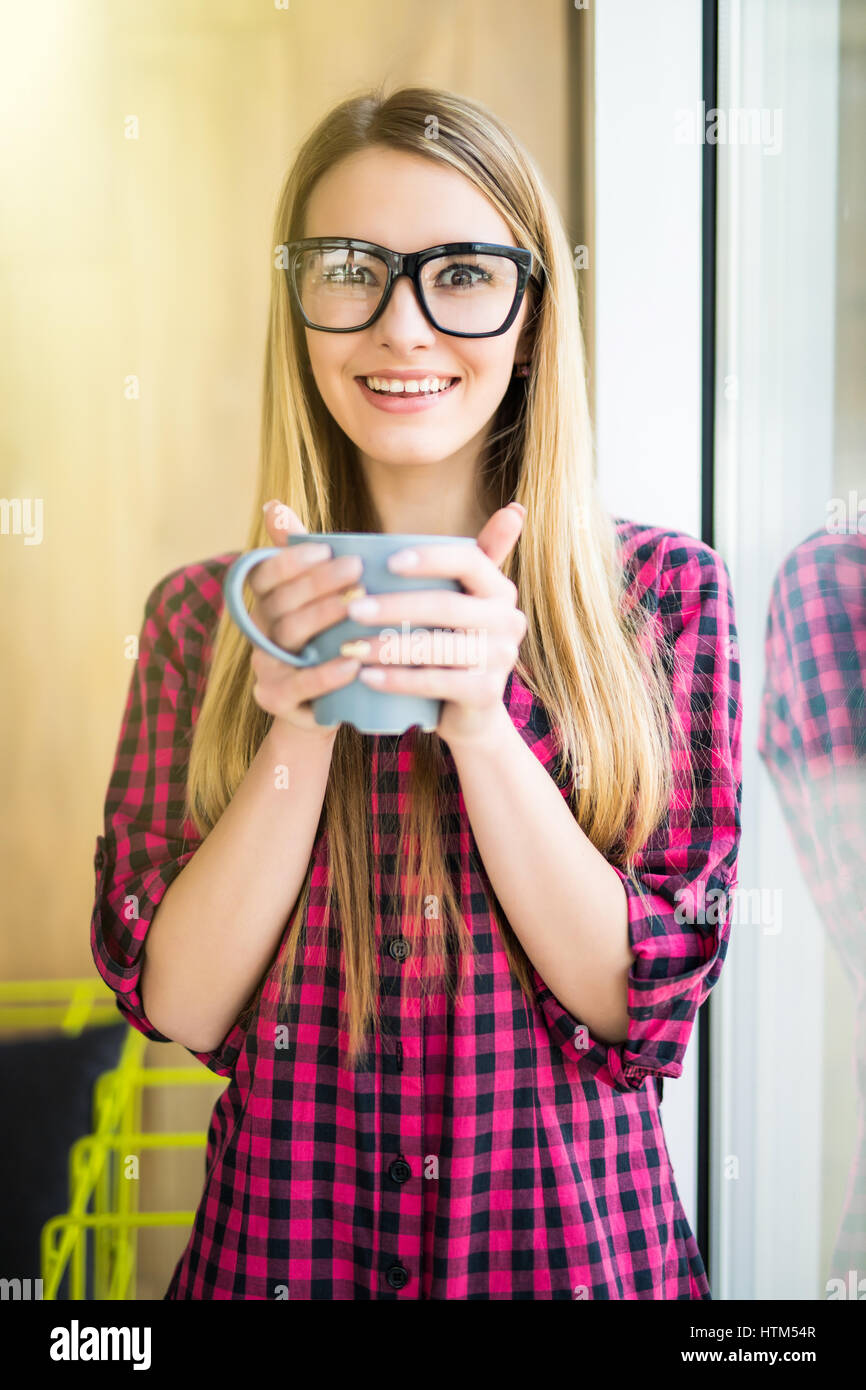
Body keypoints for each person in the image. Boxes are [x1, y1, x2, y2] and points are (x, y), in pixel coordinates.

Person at [90, 84, 742, 1300]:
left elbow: (631, 1003)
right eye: (350, 268)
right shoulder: (200, 620)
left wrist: (484, 725)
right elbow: (182, 1001)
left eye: (461, 272)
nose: (401, 326)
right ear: (297, 310)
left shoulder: (663, 602)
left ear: (532, 315)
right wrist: (296, 718)